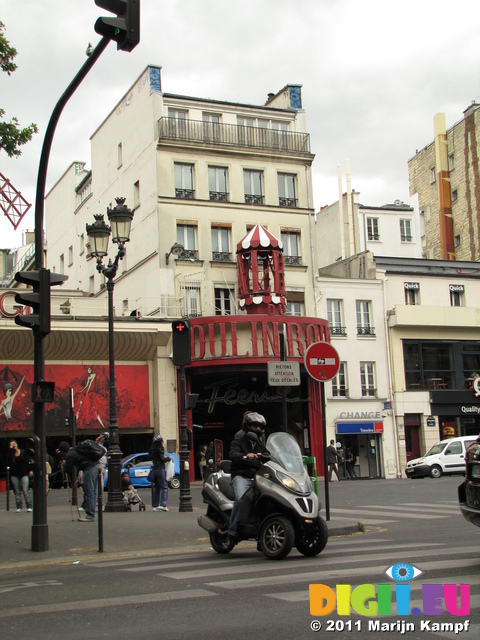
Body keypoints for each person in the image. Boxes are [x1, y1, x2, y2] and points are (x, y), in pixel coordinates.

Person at [227, 411, 269, 542]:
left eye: (259, 426)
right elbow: (232, 453)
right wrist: (245, 456)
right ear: (248, 425)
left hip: (257, 475)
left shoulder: (261, 438)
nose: (257, 429)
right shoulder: (239, 436)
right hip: (241, 474)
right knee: (240, 498)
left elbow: (267, 452)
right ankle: (232, 532)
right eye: (254, 426)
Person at [65, 440, 106, 522]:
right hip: (97, 466)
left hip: (89, 469)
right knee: (93, 492)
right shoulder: (78, 450)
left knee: (89, 492)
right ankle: (91, 512)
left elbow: (68, 469)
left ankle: (90, 515)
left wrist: (64, 465)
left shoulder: (70, 454)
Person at [7, 440, 33, 512]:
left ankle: (29, 505)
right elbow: (8, 462)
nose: (14, 445)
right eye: (12, 445)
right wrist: (10, 450)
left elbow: (28, 461)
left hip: (23, 473)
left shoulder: (23, 452)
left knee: (25, 490)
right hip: (14, 474)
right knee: (17, 491)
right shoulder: (11, 454)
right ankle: (19, 506)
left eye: (14, 444)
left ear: (17, 444)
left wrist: (30, 470)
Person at [149, 435, 171, 512]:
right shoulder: (160, 448)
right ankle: (163, 505)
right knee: (164, 486)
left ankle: (155, 505)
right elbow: (162, 459)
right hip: (160, 468)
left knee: (157, 487)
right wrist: (168, 458)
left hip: (154, 469)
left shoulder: (152, 449)